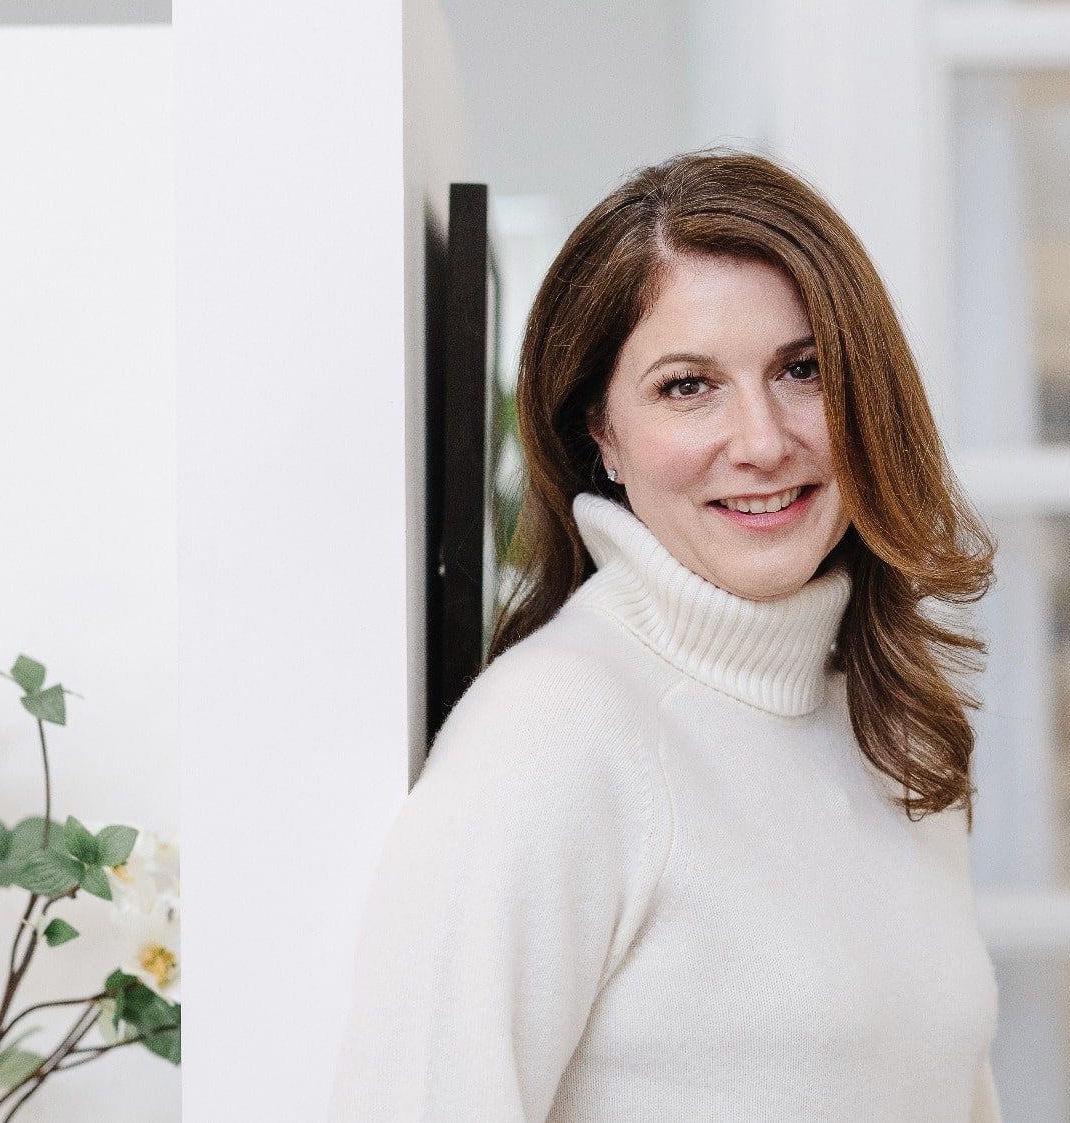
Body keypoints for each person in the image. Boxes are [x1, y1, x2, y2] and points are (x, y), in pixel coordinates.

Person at [330, 147, 1003, 1121]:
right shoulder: (554, 730)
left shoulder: (890, 723)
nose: (764, 440)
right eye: (688, 385)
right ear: (597, 431)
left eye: (803, 369)